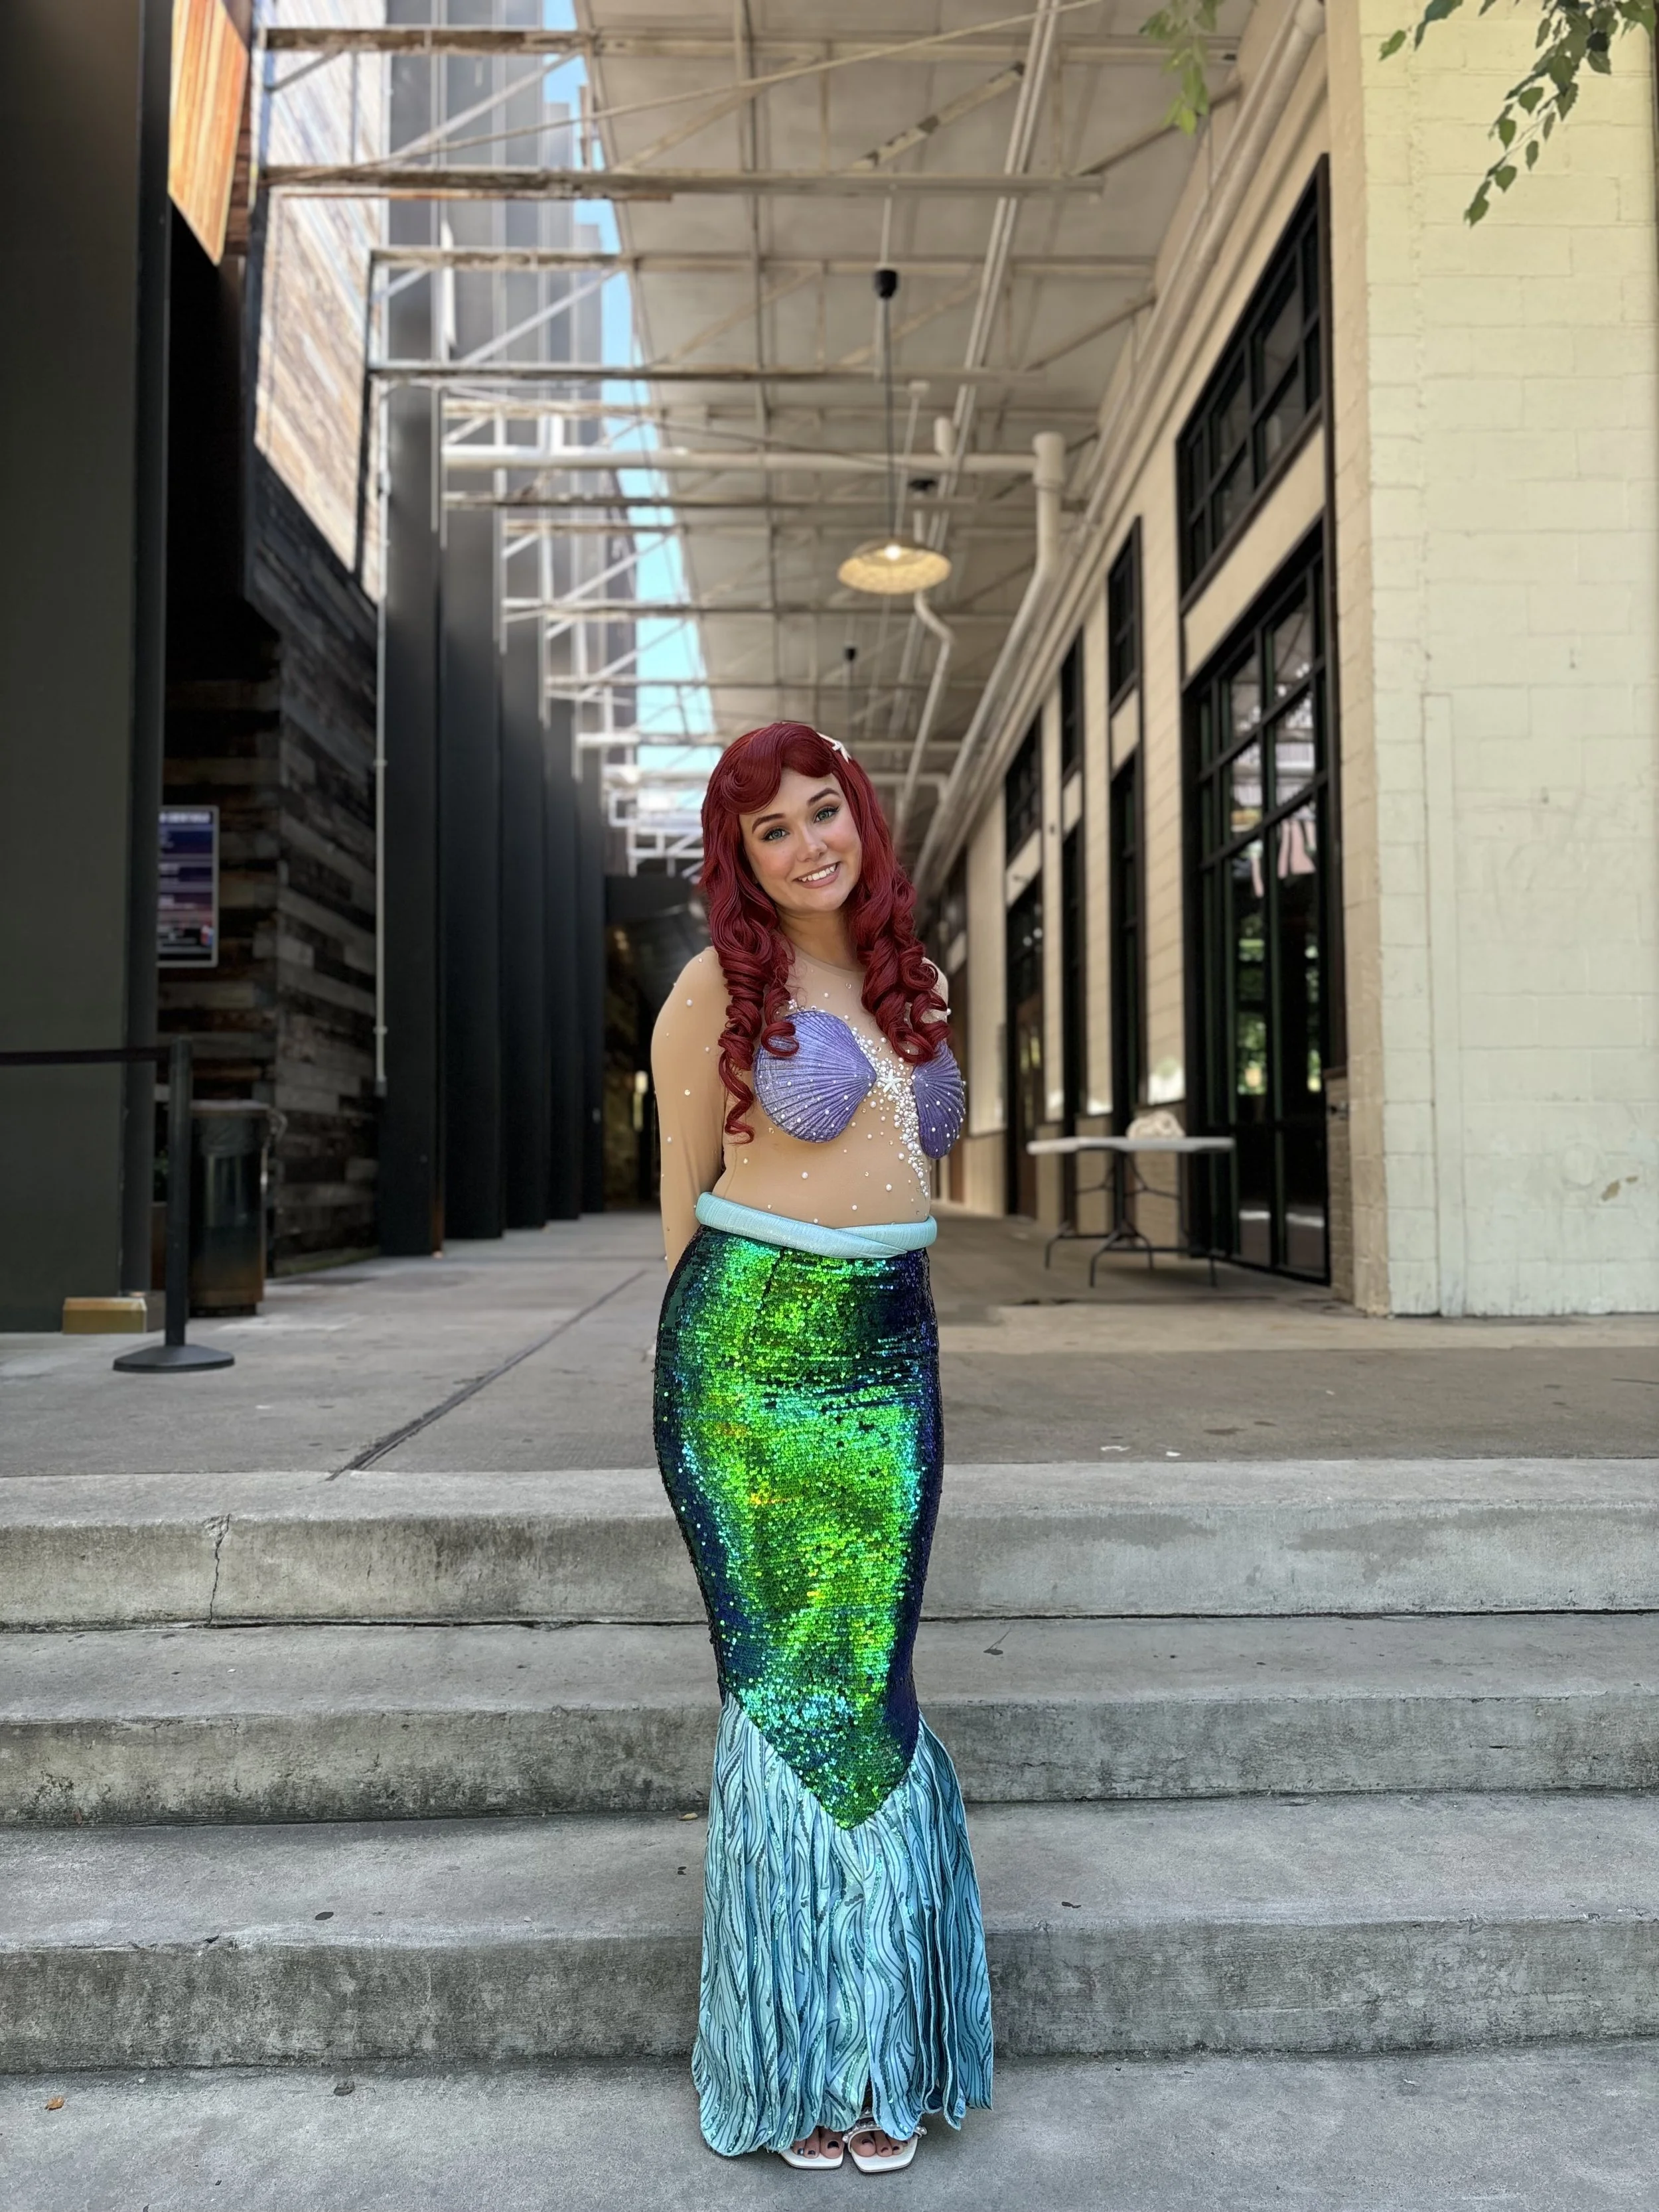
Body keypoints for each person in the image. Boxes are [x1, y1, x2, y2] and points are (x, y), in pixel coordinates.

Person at [651, 720, 993, 2172]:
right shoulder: (709, 990)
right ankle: (799, 2059)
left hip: (889, 1352)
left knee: (877, 1689)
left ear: (859, 811)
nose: (808, 844)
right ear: (739, 861)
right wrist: (698, 1402)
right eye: (771, 831)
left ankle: (880, 2043)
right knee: (794, 1699)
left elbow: (914, 1179)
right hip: (742, 1357)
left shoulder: (902, 983)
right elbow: (678, 1205)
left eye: (821, 811)